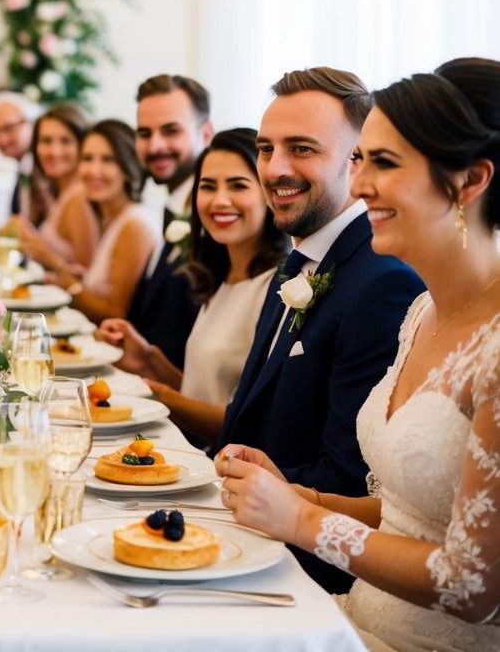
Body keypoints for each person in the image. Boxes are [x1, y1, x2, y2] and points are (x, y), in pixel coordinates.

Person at [218, 58, 500, 650]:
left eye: (384, 163)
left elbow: (473, 586)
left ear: (470, 182)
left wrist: (302, 521)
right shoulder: (421, 311)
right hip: (351, 615)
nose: (362, 183)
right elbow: (408, 511)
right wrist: (299, 495)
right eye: (363, 159)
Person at [217, 67, 425, 594]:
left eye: (302, 148)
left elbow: (353, 478)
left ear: (359, 162)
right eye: (265, 149)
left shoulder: (383, 283)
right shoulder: (295, 265)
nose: (275, 168)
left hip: (305, 578)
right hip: (243, 541)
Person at [98, 128, 289, 446]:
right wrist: (149, 360)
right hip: (188, 450)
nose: (220, 200)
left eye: (238, 185)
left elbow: (244, 422)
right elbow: (204, 392)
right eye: (208, 186)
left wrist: (158, 394)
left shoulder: (277, 287)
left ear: (269, 193)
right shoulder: (220, 279)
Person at [124, 74, 213, 368]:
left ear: (206, 134)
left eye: (171, 131)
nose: (155, 146)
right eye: (145, 134)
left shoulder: (216, 219)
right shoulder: (172, 207)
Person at [52, 121, 156, 321]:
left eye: (108, 160)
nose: (94, 170)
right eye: (87, 159)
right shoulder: (109, 218)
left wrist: (68, 284)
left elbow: (116, 315)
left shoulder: (135, 225)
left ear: (128, 167)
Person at [15, 103, 100, 273]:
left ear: (82, 145)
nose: (54, 151)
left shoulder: (78, 197)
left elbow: (87, 277)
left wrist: (44, 254)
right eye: (46, 141)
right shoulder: (63, 191)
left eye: (65, 141)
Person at [0, 92, 40, 216]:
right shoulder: (24, 165)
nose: (1, 139)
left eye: (9, 128)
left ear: (30, 122)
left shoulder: (43, 168)